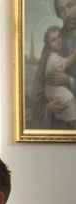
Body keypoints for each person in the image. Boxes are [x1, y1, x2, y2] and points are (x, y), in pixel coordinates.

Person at [30, 0, 76, 129]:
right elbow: (38, 89)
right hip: (60, 125)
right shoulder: (53, 44)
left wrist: (70, 82)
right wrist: (46, 107)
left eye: (70, 5)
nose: (67, 14)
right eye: (61, 10)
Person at [43, 26, 76, 128]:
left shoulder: (54, 57)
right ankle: (73, 120)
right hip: (54, 88)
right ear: (49, 46)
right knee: (69, 98)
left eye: (59, 37)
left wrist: (69, 81)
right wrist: (75, 55)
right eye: (54, 40)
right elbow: (66, 62)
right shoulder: (53, 59)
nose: (58, 41)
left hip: (53, 88)